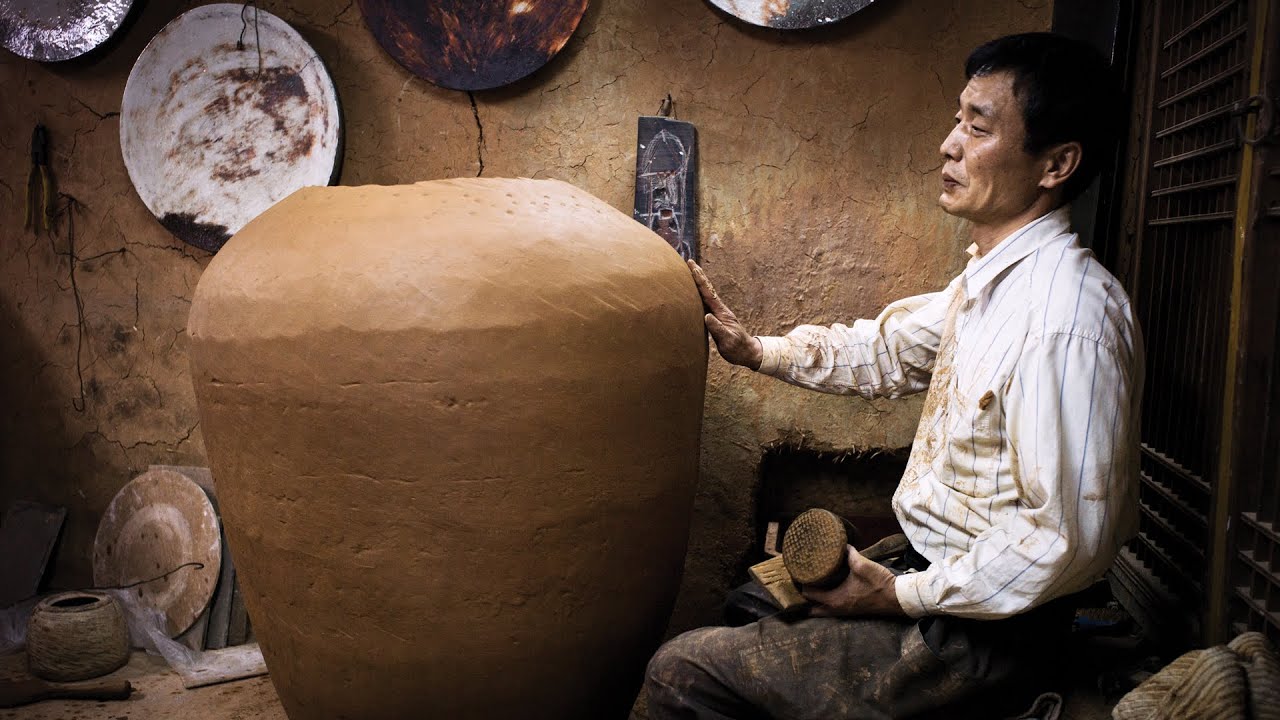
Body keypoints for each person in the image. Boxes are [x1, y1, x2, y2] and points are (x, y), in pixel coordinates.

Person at [643, 32, 1143, 719]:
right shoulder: (992, 285)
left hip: (984, 635)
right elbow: (887, 350)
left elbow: (1068, 539)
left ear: (1057, 164)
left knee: (681, 673)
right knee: (752, 597)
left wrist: (897, 596)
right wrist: (755, 350)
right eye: (956, 119)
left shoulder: (1065, 319)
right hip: (929, 569)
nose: (950, 144)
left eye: (978, 126)